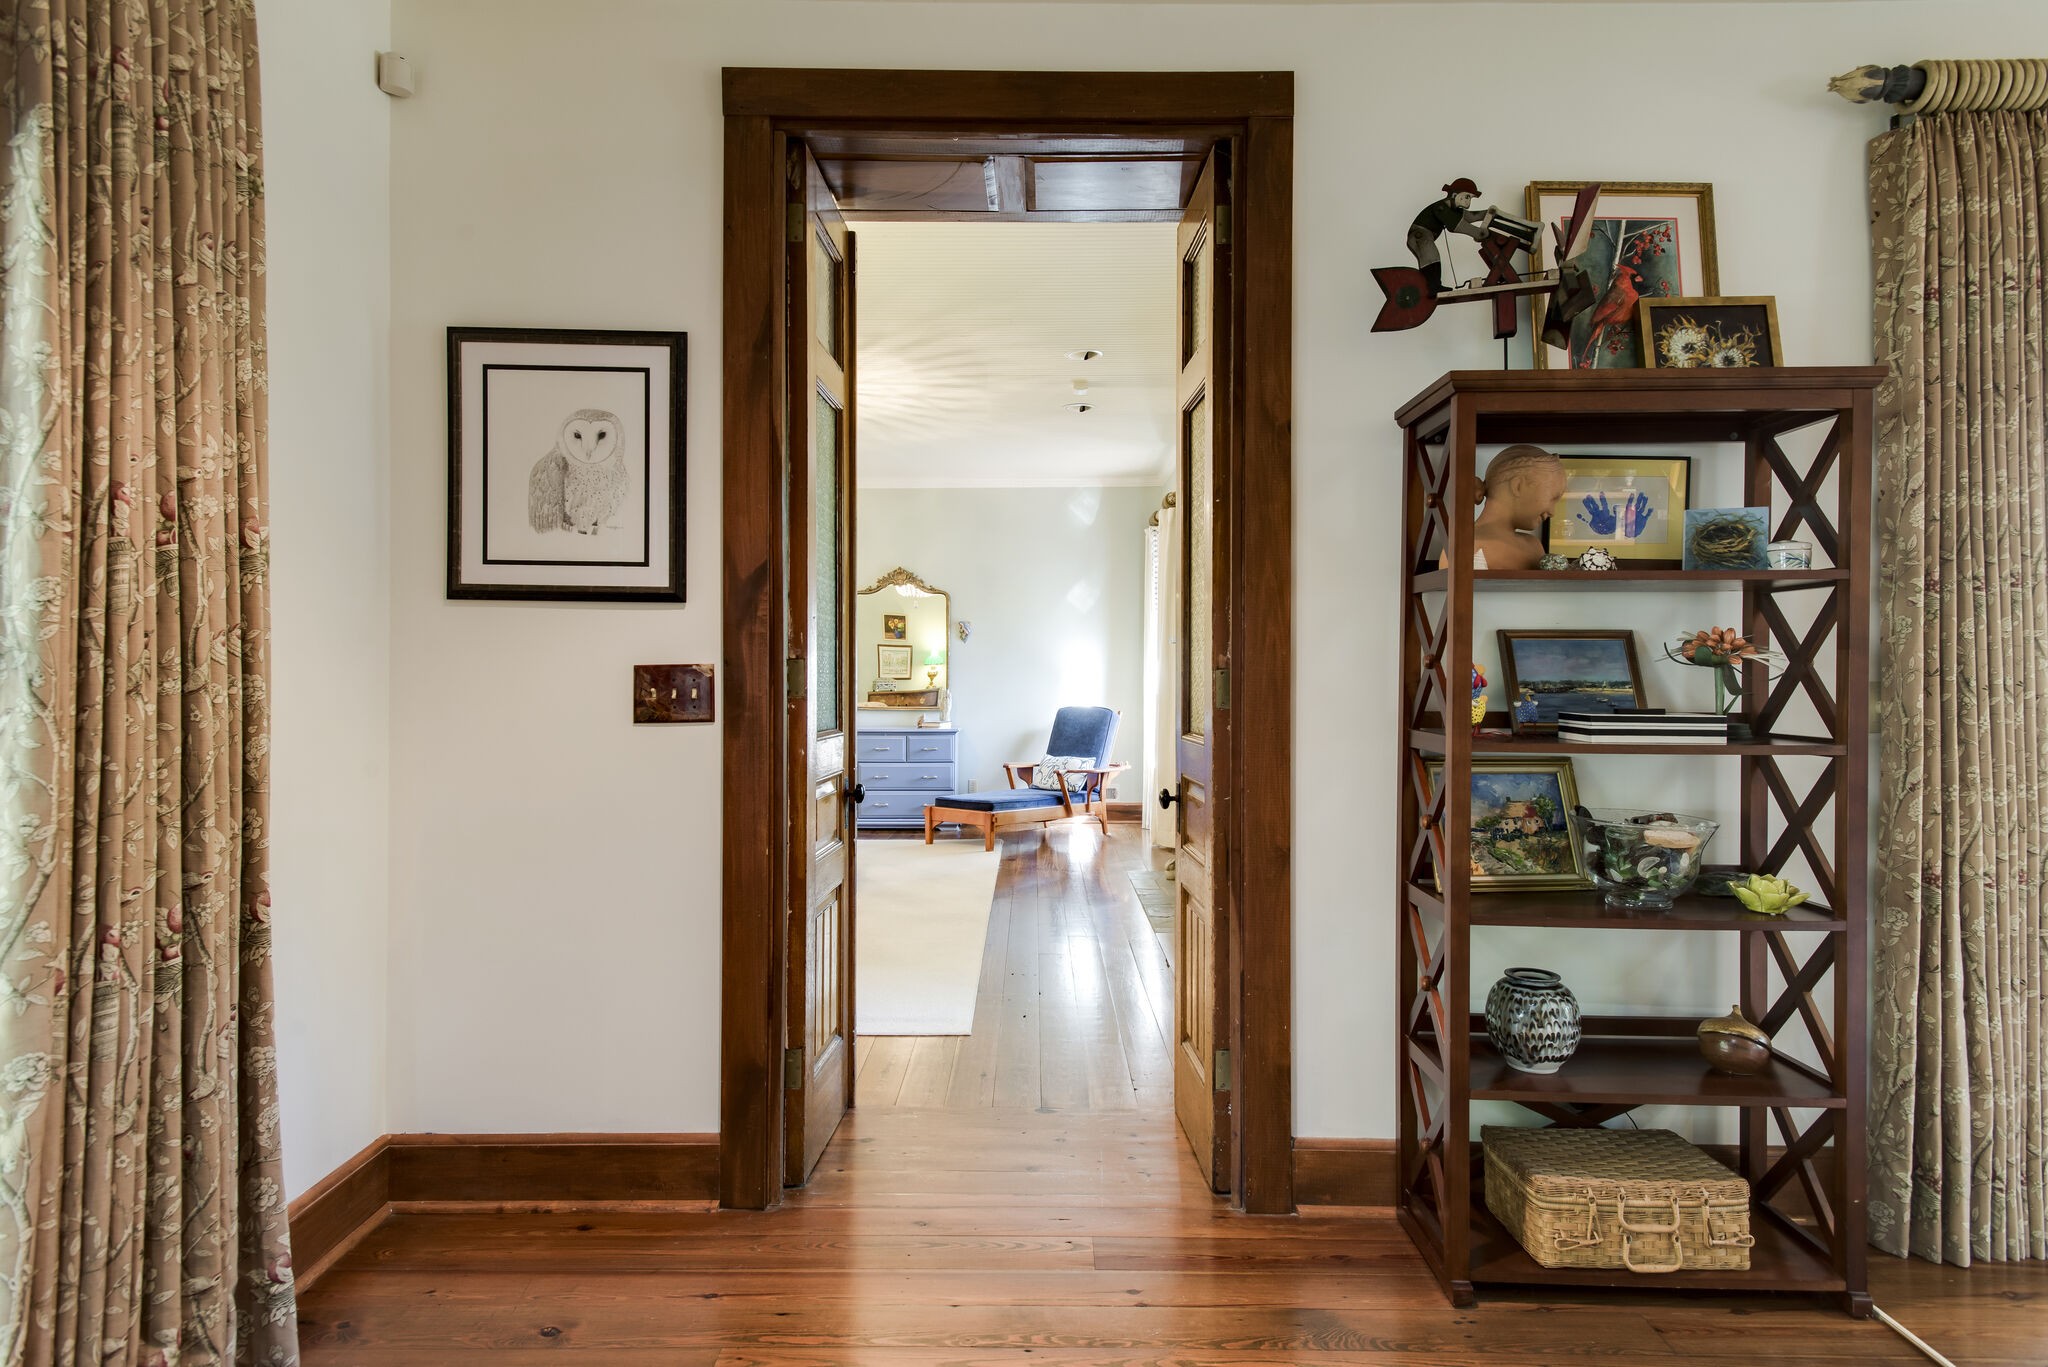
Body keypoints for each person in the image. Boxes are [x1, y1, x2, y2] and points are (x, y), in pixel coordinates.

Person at [1407, 178, 1496, 297]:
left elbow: (1471, 216)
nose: (1468, 201)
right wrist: (1478, 233)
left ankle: (1434, 286)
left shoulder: (1454, 210)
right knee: (1431, 256)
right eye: (1467, 196)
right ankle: (1432, 287)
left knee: (1432, 256)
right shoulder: (1441, 207)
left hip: (1425, 235)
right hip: (1419, 234)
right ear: (1456, 194)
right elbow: (1456, 225)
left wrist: (1489, 213)